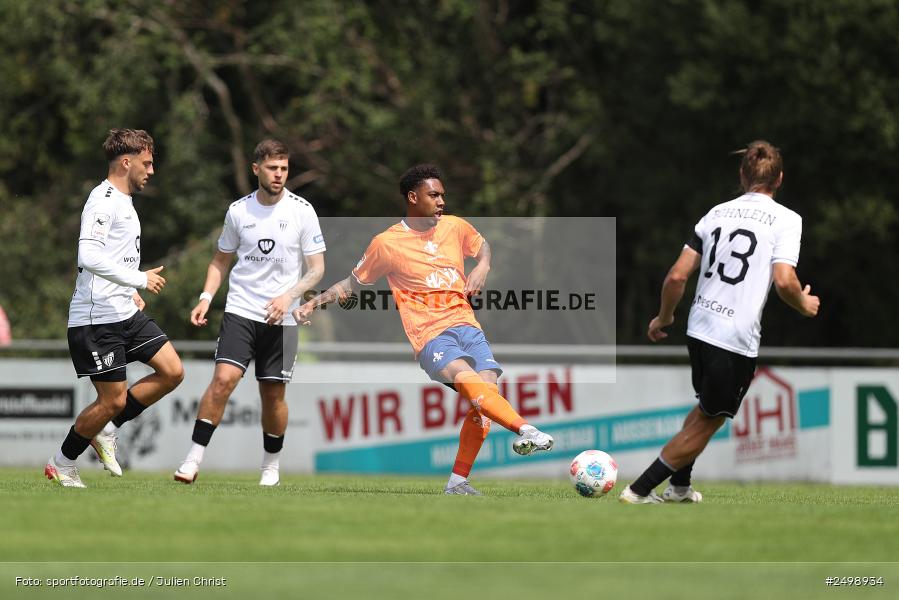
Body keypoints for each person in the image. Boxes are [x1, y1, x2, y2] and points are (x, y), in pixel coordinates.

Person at [294, 164, 554, 496]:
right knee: (472, 384)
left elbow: (483, 246)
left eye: (443, 195)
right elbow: (351, 284)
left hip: (468, 327)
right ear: (413, 198)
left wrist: (483, 266)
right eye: (434, 195)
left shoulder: (455, 227)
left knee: (485, 402)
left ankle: (457, 482)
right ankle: (526, 429)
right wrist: (313, 302)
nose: (441, 201)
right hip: (430, 334)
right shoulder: (387, 243)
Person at [619, 140, 820, 504]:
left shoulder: (715, 214)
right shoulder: (788, 220)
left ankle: (679, 488)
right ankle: (639, 489)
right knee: (710, 421)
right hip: (734, 337)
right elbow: (785, 281)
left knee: (704, 410)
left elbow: (677, 277)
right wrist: (804, 304)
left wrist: (664, 317)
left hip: (700, 328)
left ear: (743, 175)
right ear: (780, 179)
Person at [174, 139, 325, 487]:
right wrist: (205, 296)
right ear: (256, 169)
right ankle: (192, 459)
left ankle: (270, 466)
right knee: (223, 380)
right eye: (273, 168)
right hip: (241, 310)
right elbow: (220, 260)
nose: (279, 175)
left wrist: (290, 297)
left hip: (282, 319)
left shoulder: (302, 210)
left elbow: (316, 269)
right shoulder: (238, 211)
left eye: (284, 169)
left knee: (273, 396)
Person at [46, 129, 185, 488]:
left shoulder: (125, 201)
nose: (152, 170)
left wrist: (129, 288)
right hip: (96, 317)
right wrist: (137, 280)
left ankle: (107, 430)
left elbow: (113, 257)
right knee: (112, 399)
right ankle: (62, 462)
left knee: (172, 372)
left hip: (123, 310)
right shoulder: (103, 200)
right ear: (127, 161)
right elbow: (88, 255)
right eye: (147, 162)